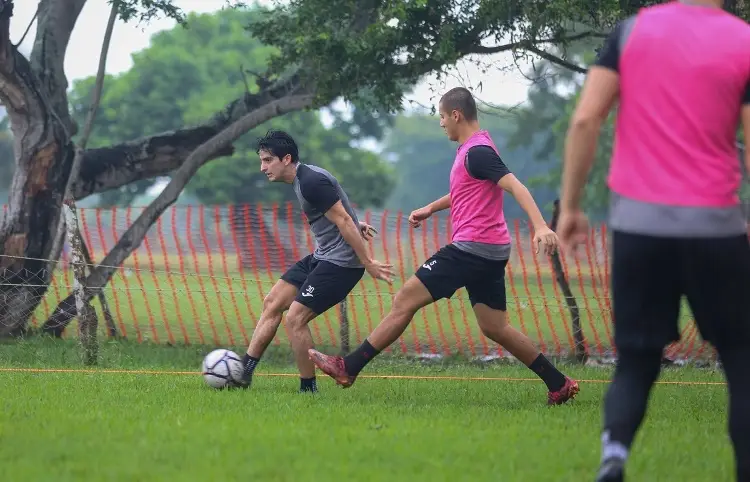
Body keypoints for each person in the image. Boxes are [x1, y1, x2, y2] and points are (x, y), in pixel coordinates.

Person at [557, 2, 750, 481]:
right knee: (743, 360)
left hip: (639, 228)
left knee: (637, 360)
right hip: (715, 227)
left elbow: (585, 121)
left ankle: (615, 455)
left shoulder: (631, 32)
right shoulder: (743, 40)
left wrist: (572, 206)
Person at [308, 87, 580, 405]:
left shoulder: (478, 152)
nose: (440, 124)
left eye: (441, 117)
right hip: (491, 249)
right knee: (495, 326)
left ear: (456, 115)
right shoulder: (473, 151)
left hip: (472, 248)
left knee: (404, 300)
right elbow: (465, 191)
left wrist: (541, 225)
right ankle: (559, 383)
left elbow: (513, 184)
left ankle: (348, 367)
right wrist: (431, 208)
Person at [237, 130, 394, 393]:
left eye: (267, 160)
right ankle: (243, 373)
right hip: (323, 256)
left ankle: (308, 389)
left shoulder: (310, 181)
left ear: (286, 159)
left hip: (342, 264)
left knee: (296, 319)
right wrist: (358, 224)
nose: (262, 167)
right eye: (262, 160)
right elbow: (340, 212)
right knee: (273, 302)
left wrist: (367, 262)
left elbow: (342, 219)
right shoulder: (304, 179)